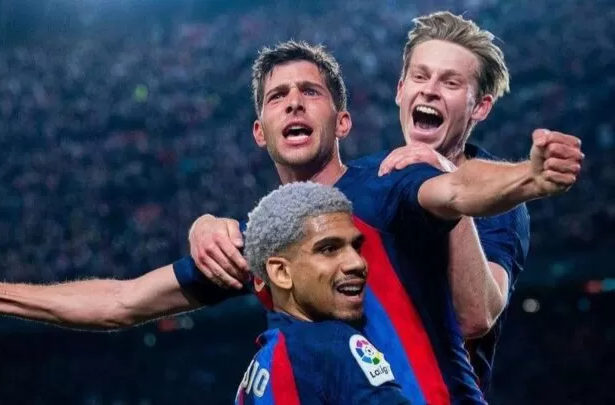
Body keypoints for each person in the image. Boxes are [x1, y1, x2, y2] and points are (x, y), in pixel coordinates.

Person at [0, 40, 583, 404]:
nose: (294, 103)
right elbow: (122, 301)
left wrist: (527, 176)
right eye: (278, 96)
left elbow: (458, 186)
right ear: (259, 131)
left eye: (310, 92)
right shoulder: (265, 241)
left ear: (342, 121)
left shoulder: (388, 183)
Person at [190, 12, 532, 393]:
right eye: (420, 76)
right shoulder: (375, 178)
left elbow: (476, 317)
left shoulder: (499, 201)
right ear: (401, 90)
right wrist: (207, 226)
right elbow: (293, 229)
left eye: (450, 82)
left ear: (480, 107)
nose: (430, 91)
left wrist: (453, 185)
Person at [234, 181, 409, 405]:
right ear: (281, 272)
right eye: (329, 249)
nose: (357, 262)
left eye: (356, 246)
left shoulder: (254, 376)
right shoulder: (333, 345)